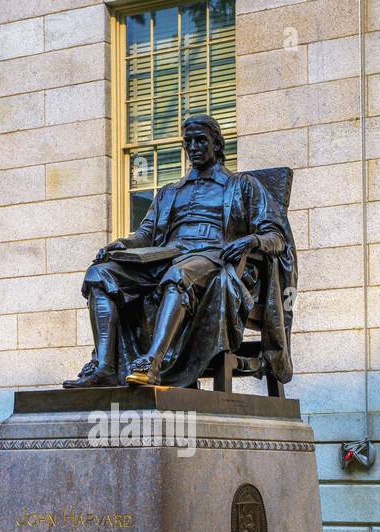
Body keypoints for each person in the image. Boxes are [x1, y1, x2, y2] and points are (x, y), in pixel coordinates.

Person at [63, 114, 296, 389]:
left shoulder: (243, 186)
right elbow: (145, 234)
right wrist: (123, 244)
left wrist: (251, 241)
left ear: (217, 145)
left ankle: (152, 362)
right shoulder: (169, 192)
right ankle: (104, 367)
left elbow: (276, 236)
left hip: (215, 258)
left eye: (201, 140)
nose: (193, 147)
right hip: (166, 256)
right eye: (188, 142)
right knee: (100, 274)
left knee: (179, 275)